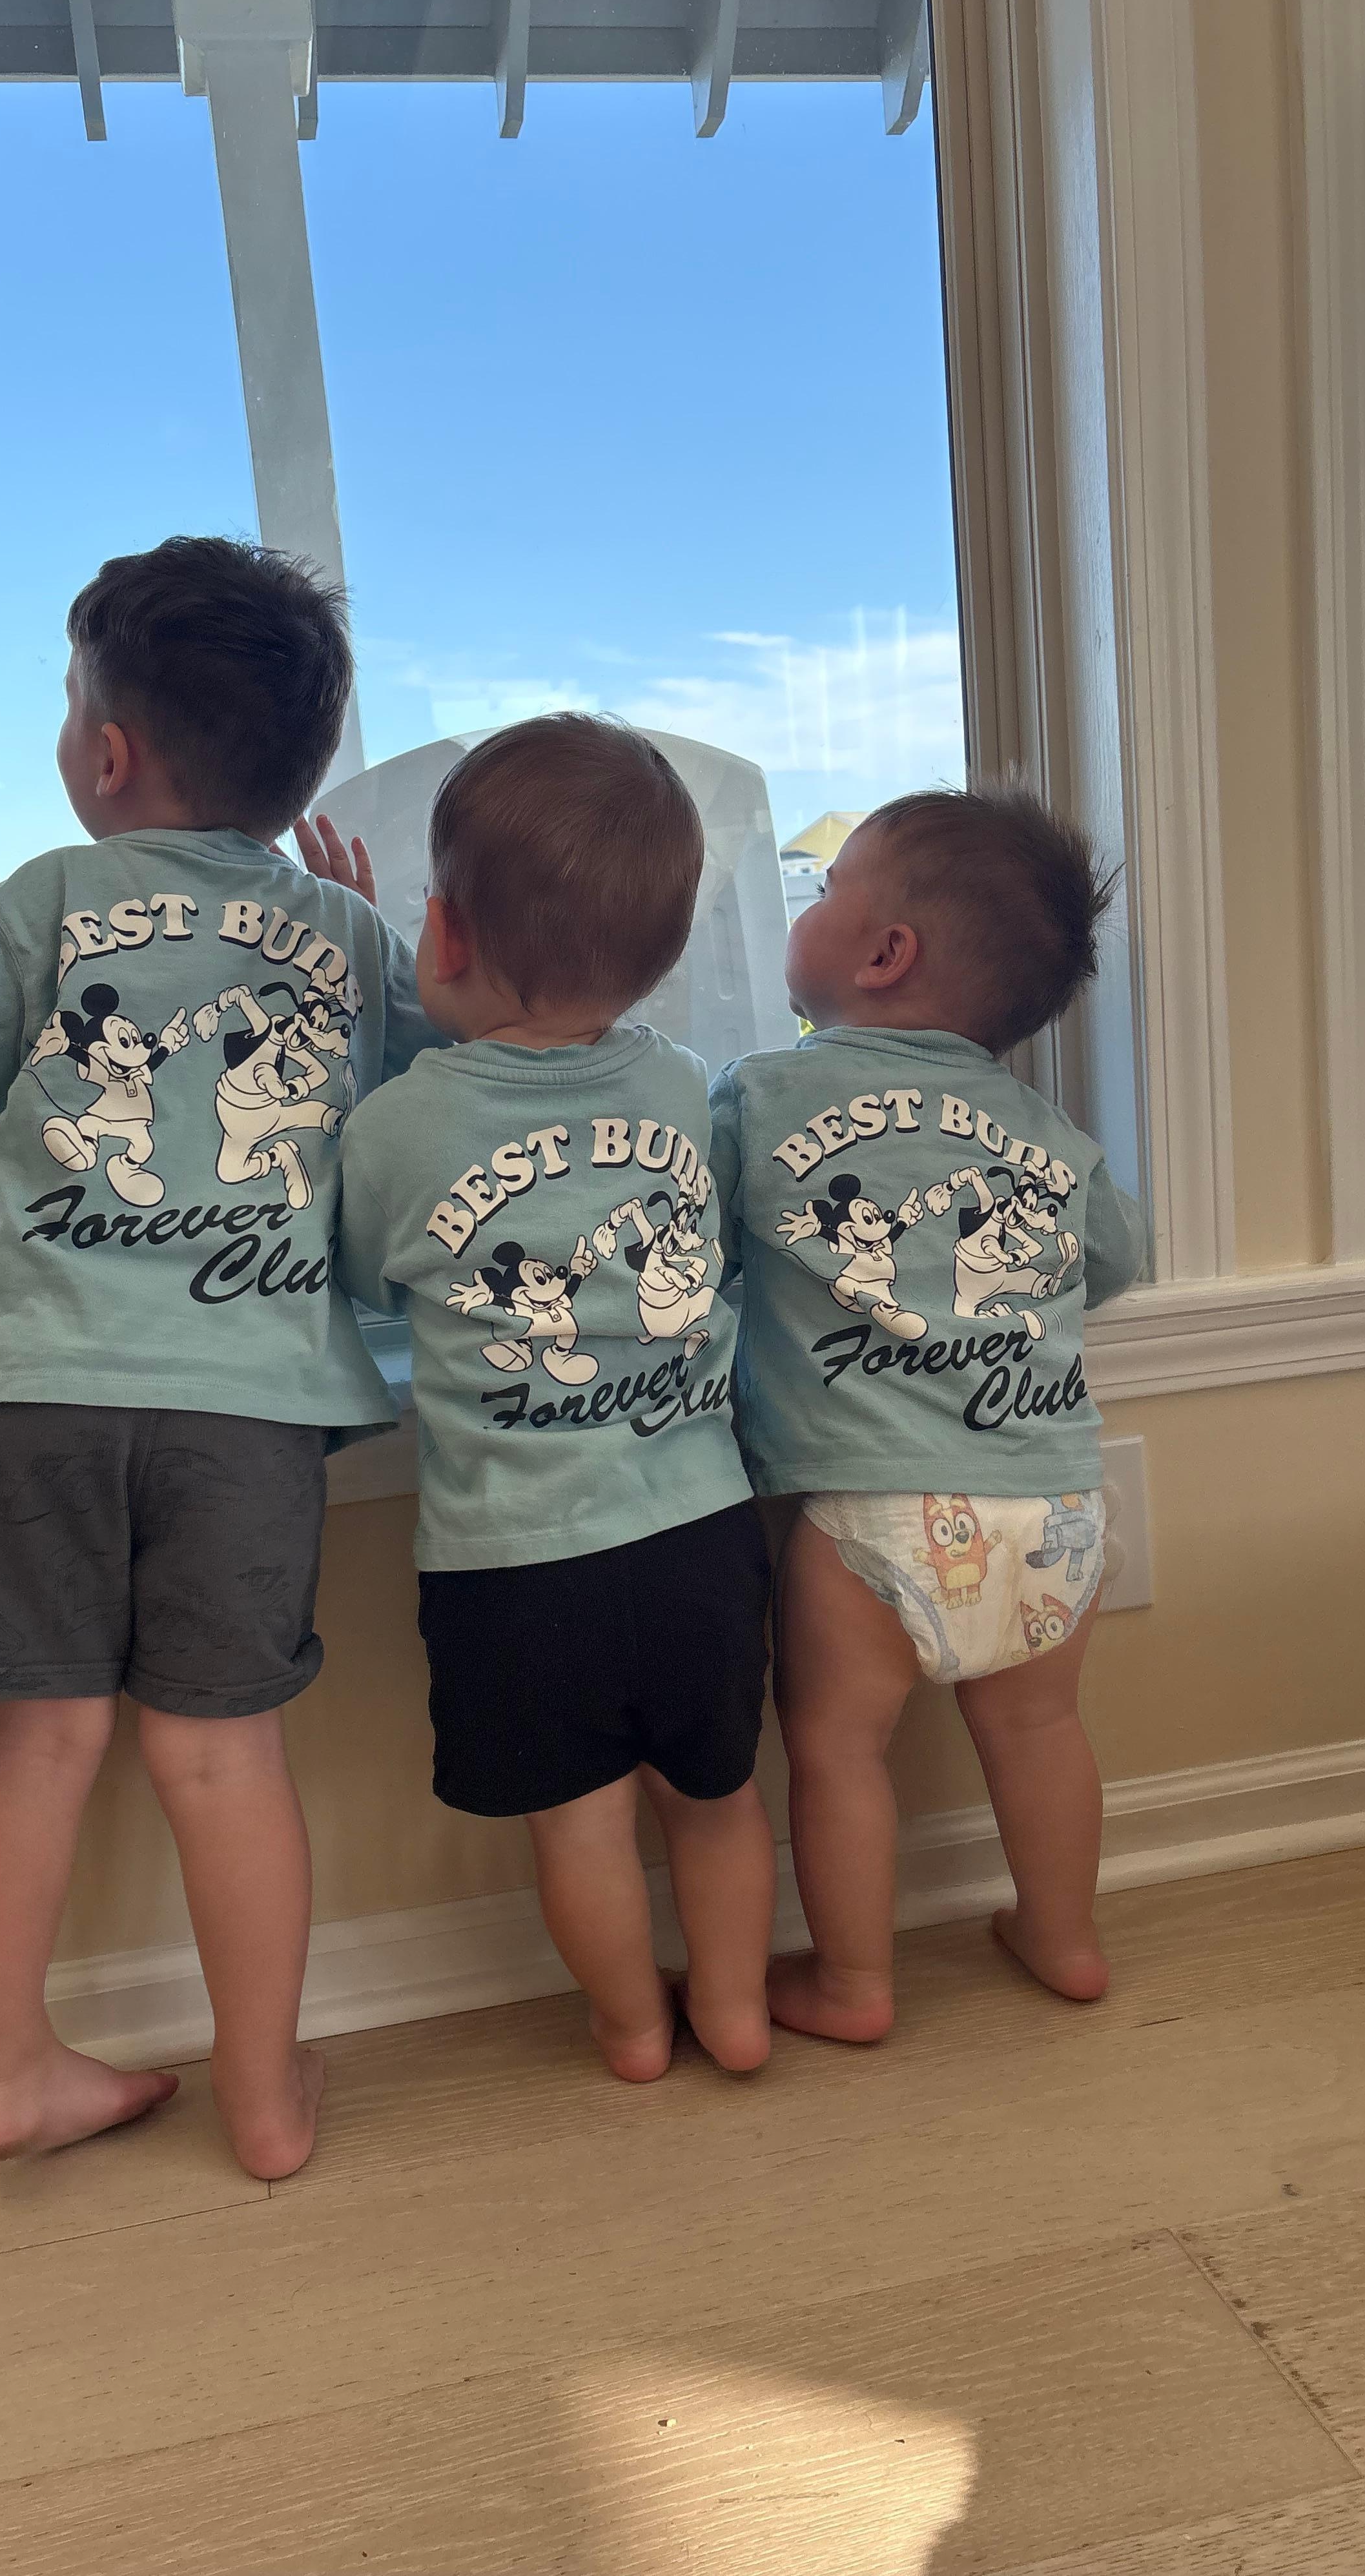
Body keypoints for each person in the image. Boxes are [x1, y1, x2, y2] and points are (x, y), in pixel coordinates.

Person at [0, 536, 436, 2176]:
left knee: (32, 1743)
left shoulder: (45, 897)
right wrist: (365, 931)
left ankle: (2, 2075)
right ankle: (264, 2103)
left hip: (27, 1393)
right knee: (223, 1753)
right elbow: (411, 1094)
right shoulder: (341, 930)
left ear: (105, 754)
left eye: (72, 705)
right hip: (247, 1408)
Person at [336, 715, 777, 2083]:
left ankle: (634, 2029)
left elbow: (358, 1274)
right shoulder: (686, 1086)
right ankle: (743, 2017)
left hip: (513, 1566)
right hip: (705, 1533)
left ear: (444, 937)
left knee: (579, 1828)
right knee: (717, 1805)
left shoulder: (397, 1128)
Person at [710, 784, 1147, 2042]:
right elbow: (1110, 1262)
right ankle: (1063, 1938)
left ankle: (853, 1985)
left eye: (830, 885)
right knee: (1042, 1727)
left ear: (882, 953)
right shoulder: (1051, 1133)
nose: (810, 904)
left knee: (839, 1749)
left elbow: (696, 1244)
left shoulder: (761, 1095)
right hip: (1053, 1495)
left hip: (873, 1503)